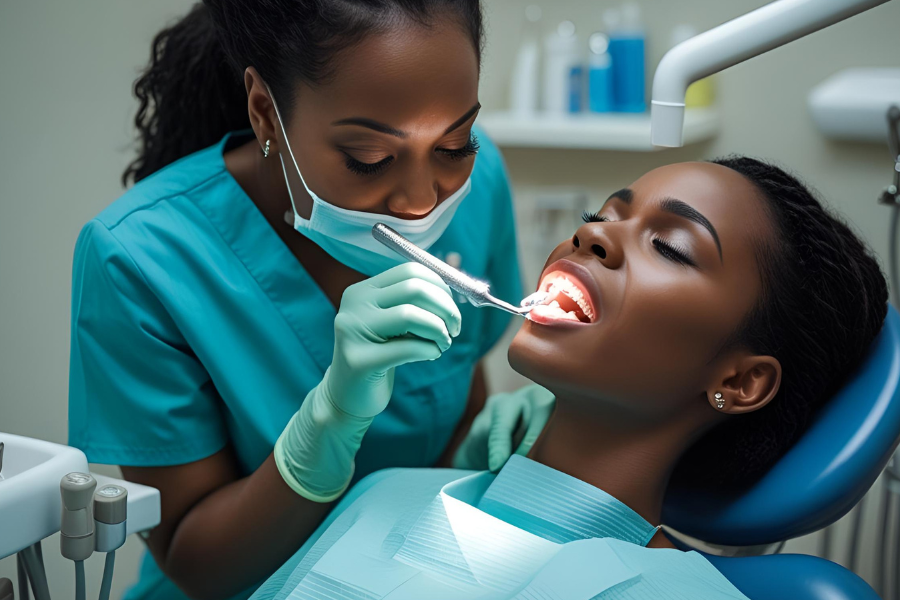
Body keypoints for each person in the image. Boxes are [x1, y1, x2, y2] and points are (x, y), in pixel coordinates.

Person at [67, 2, 550, 598]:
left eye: (454, 146)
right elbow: (192, 560)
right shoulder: (141, 257)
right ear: (266, 112)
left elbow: (453, 388)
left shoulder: (482, 186)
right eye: (369, 160)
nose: (422, 202)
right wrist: (325, 429)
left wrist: (478, 448)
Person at [246, 157, 889, 600]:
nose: (594, 236)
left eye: (670, 247)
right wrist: (328, 417)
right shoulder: (384, 495)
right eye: (603, 213)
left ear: (741, 381)